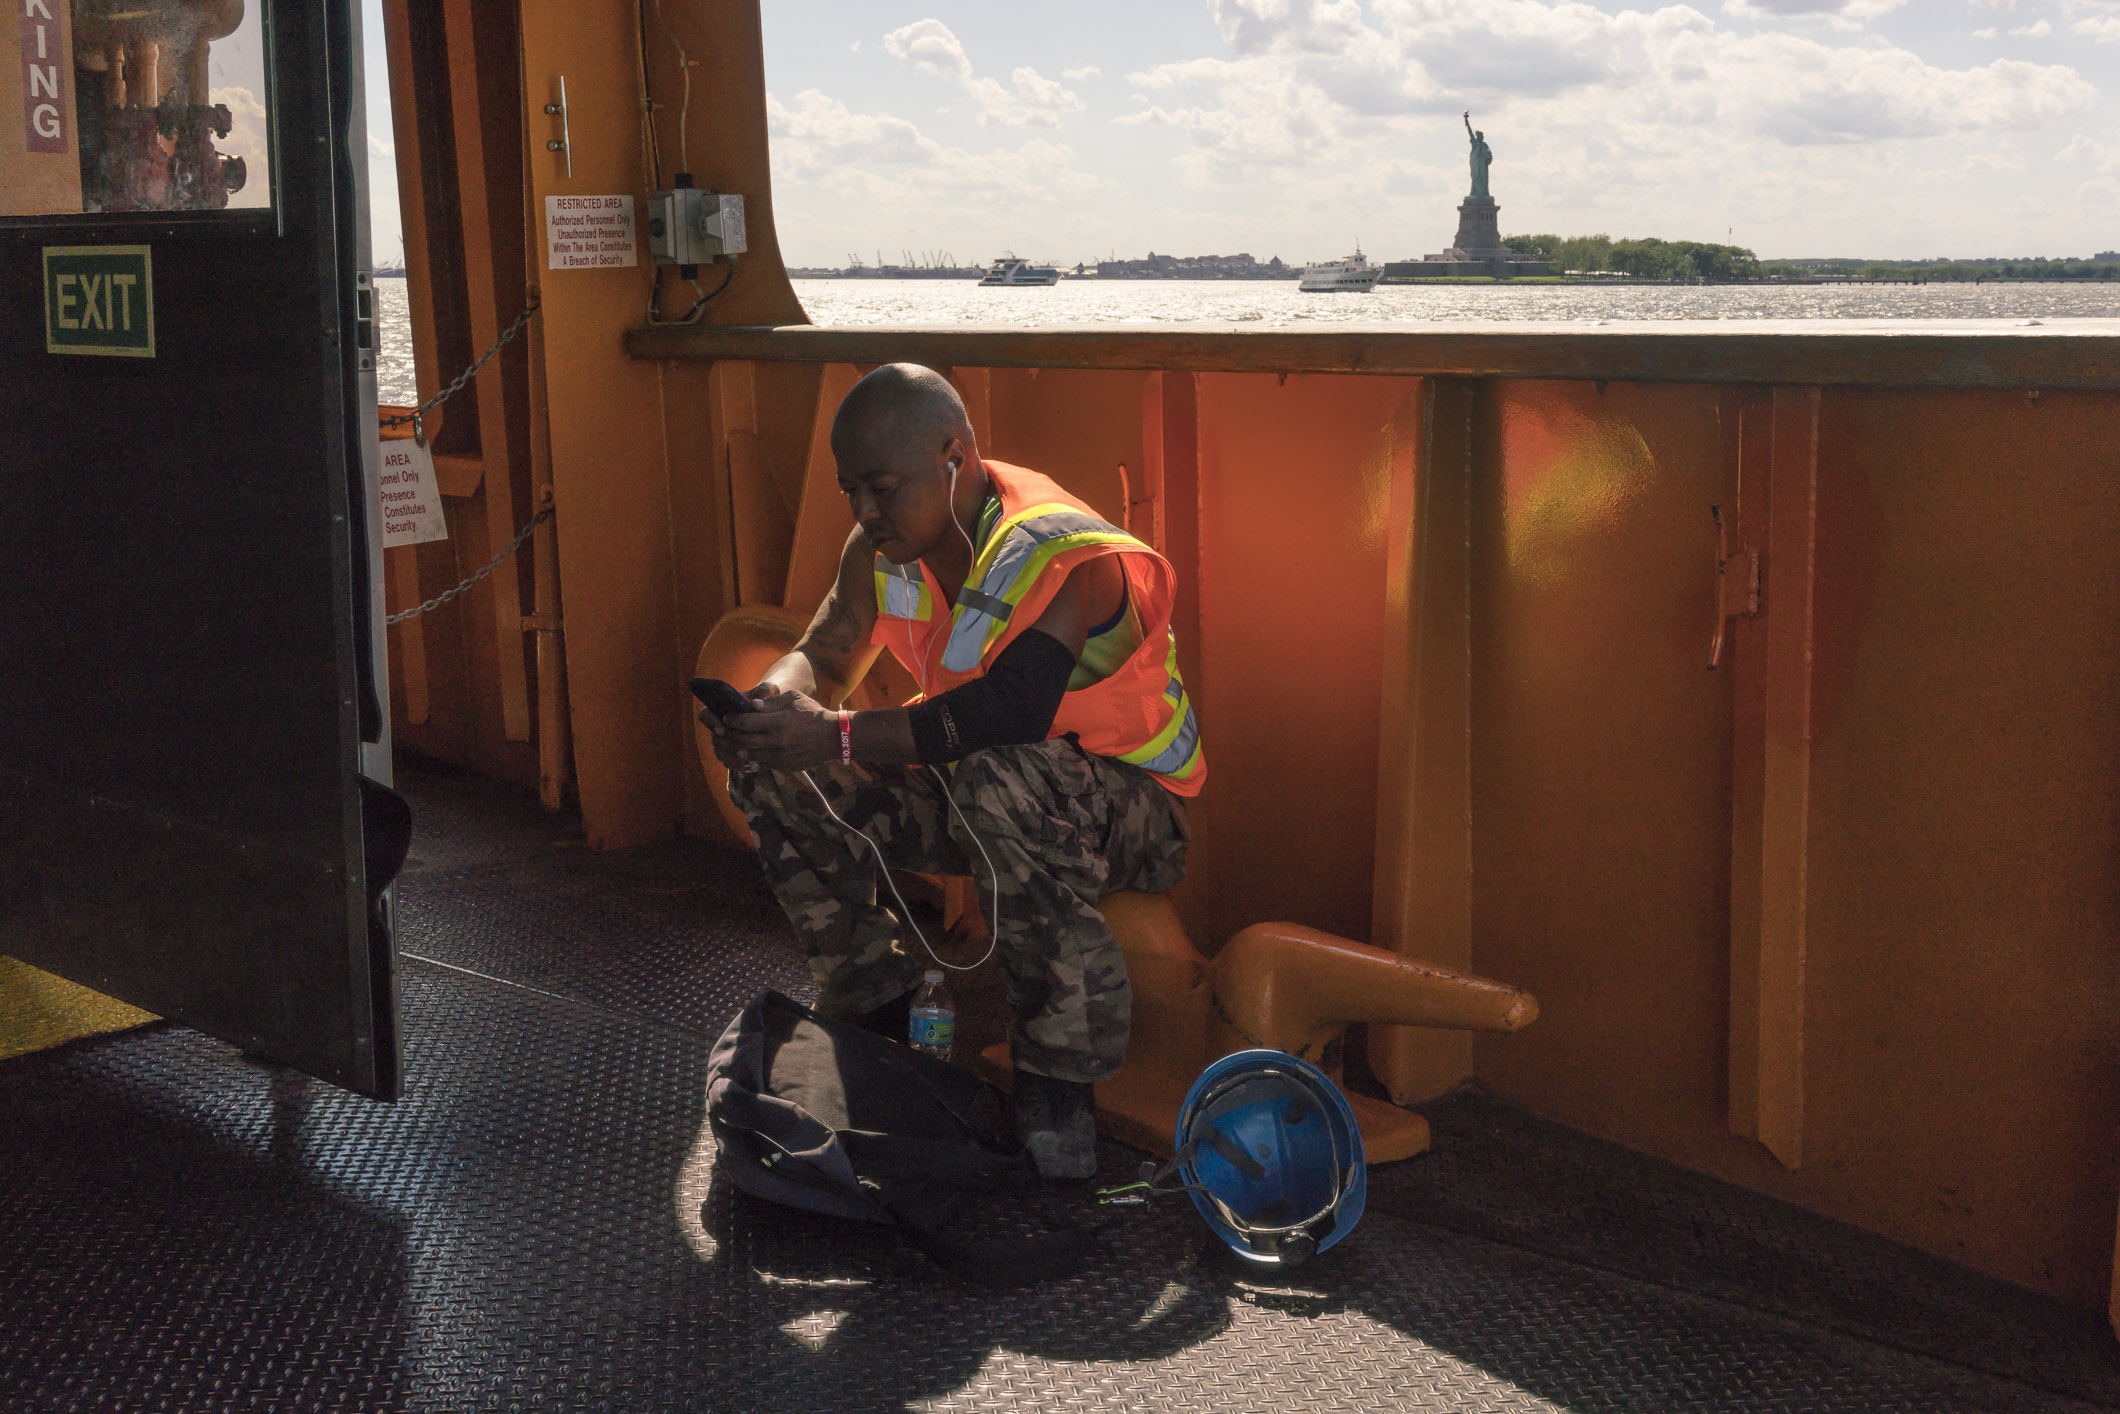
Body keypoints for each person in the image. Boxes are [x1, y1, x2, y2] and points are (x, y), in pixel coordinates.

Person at [701, 363, 1204, 1179]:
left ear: (954, 456)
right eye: (850, 490)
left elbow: (1011, 710)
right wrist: (771, 707)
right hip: (987, 784)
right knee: (774, 768)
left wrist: (832, 736)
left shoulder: (1059, 552)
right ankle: (872, 1000)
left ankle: (1058, 1078)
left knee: (995, 777)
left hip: (1129, 808)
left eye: (883, 488)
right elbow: (824, 654)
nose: (865, 512)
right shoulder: (883, 545)